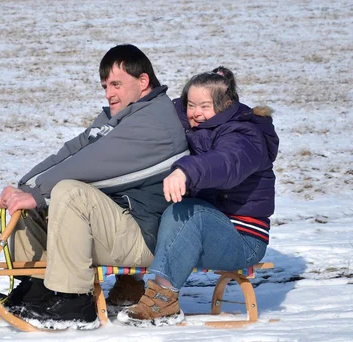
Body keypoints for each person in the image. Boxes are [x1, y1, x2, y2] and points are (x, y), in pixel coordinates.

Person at [0, 44, 189, 329]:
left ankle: (74, 301)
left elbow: (93, 163)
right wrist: (26, 185)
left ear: (143, 81)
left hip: (145, 238)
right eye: (105, 86)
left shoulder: (153, 123)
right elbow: (71, 151)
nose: (109, 93)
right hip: (117, 227)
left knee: (67, 192)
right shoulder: (120, 116)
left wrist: (37, 193)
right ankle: (36, 287)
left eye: (116, 84)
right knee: (39, 200)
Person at [117, 67, 279, 326]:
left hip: (242, 238)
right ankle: (130, 282)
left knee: (186, 213)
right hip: (210, 227)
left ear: (226, 105)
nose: (196, 113)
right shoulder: (189, 128)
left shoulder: (246, 135)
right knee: (144, 200)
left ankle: (163, 298)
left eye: (205, 105)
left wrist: (186, 171)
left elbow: (227, 162)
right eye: (191, 105)